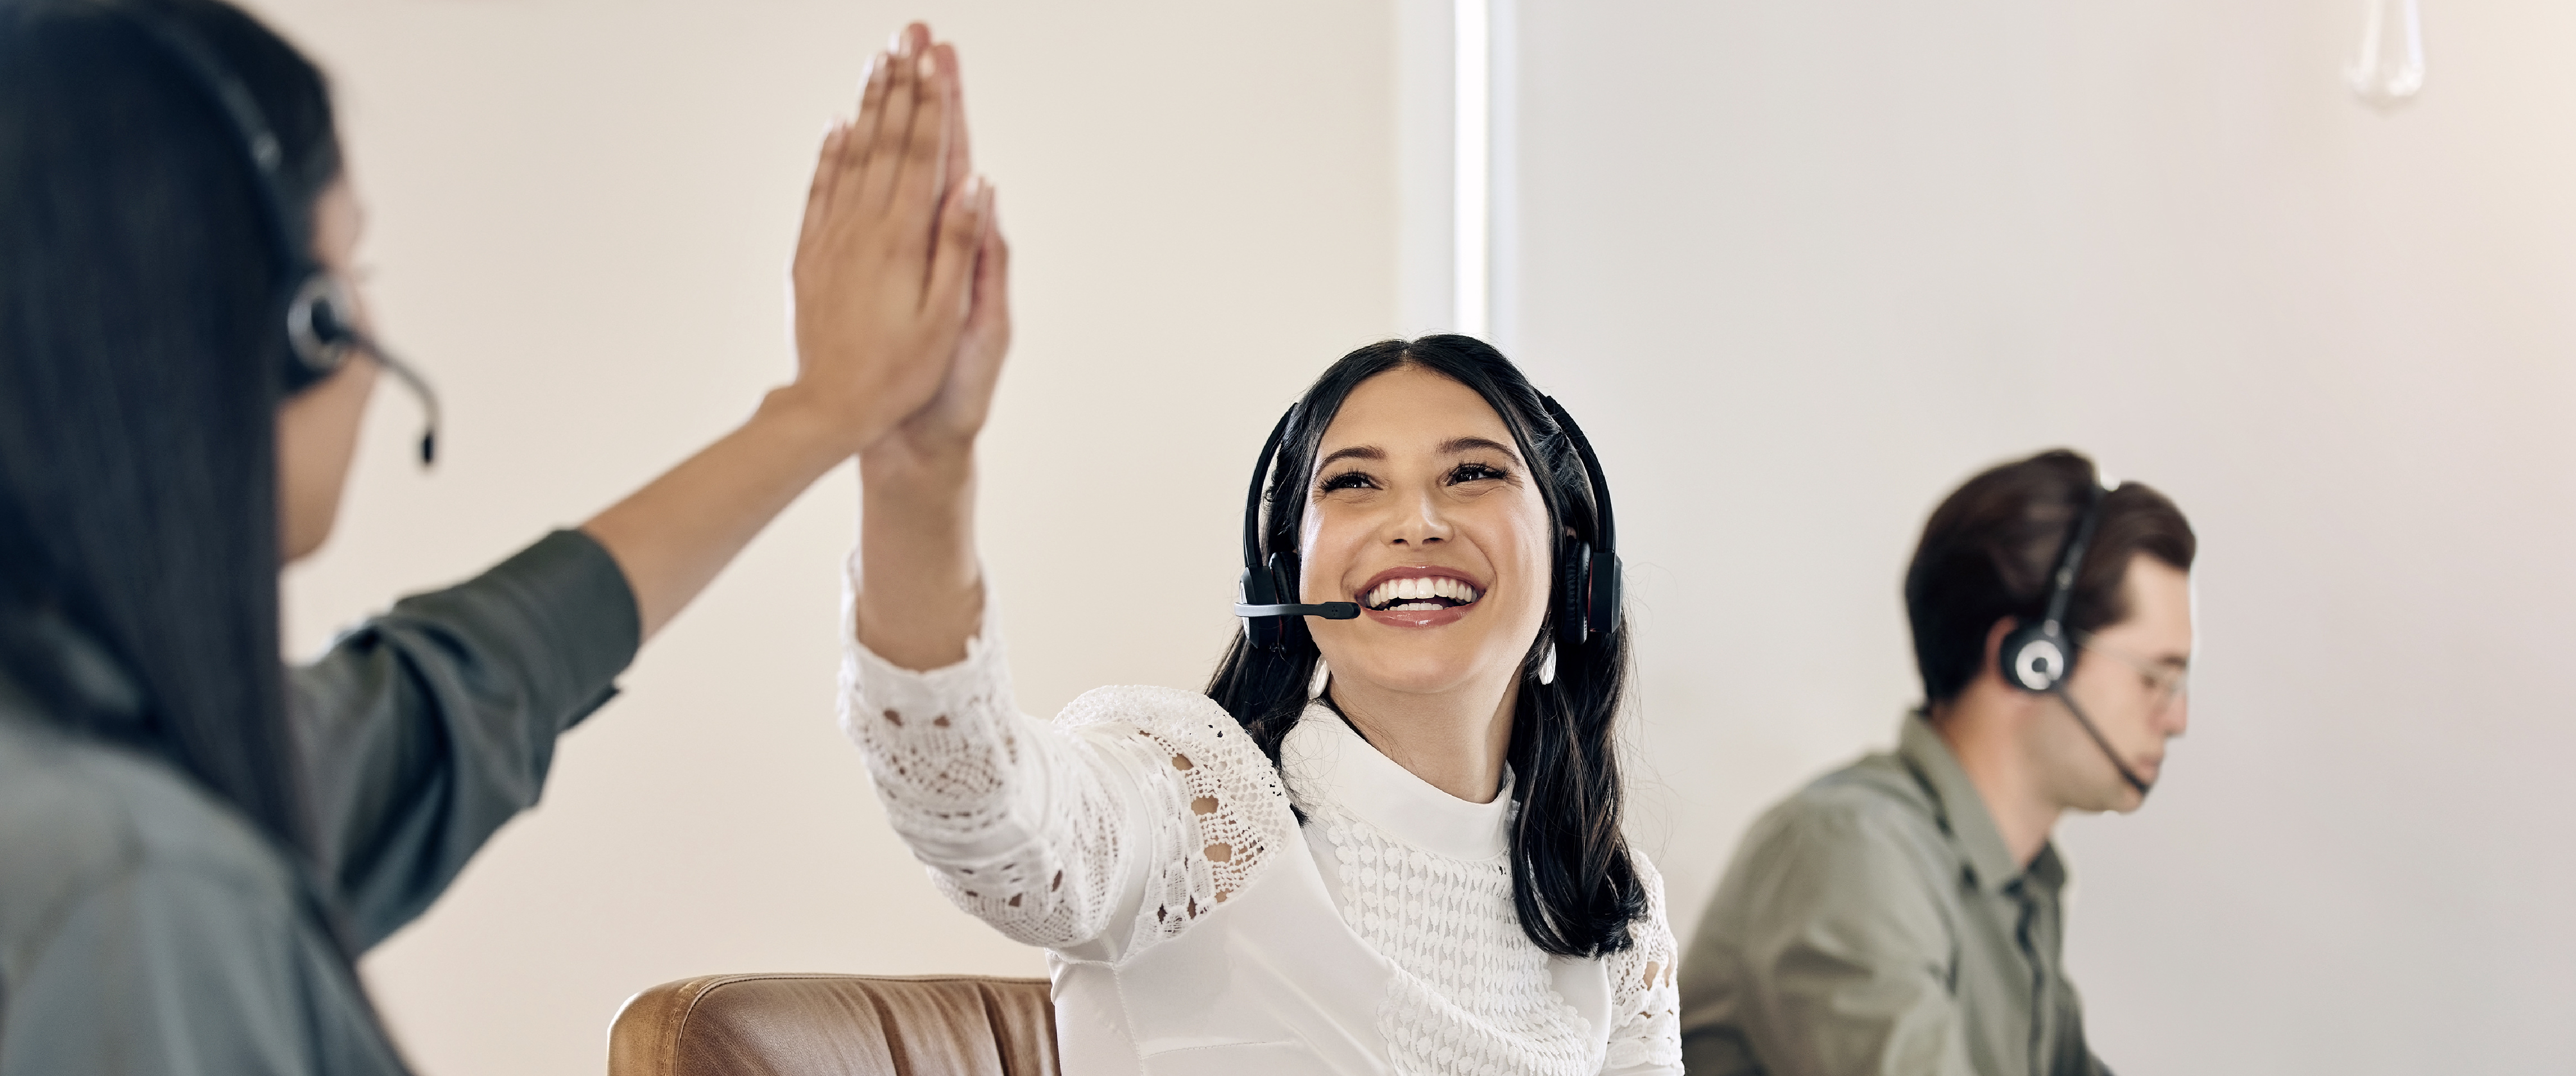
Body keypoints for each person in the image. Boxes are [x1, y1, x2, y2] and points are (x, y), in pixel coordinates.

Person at [0, 4, 996, 1072]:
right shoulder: (136, 891)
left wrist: (824, 411)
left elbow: (445, 698)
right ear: (295, 333)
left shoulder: (103, 754)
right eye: (350, 280)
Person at [838, 301, 1685, 1066]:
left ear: (1574, 557)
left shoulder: (1608, 908)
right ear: (1285, 575)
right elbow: (979, 806)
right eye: (1354, 482)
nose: (1417, 522)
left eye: (1472, 474)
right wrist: (921, 489)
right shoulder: (1193, 810)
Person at [1677, 449, 2196, 1076]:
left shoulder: (2021, 888)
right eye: (2154, 680)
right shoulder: (1854, 849)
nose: (2176, 718)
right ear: (2032, 661)